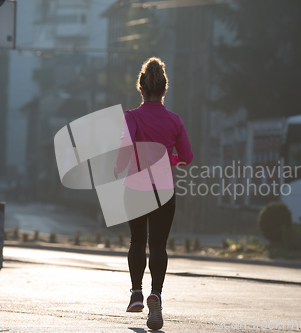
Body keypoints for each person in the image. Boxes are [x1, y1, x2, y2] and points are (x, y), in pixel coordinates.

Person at [114, 57, 193, 330]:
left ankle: (136, 293)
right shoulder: (174, 120)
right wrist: (168, 160)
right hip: (164, 189)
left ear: (142, 88)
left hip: (135, 187)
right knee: (158, 244)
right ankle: (155, 295)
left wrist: (118, 168)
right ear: (163, 89)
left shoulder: (131, 117)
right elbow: (187, 157)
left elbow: (123, 154)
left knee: (137, 241)